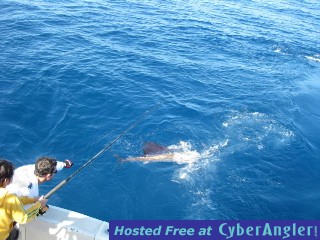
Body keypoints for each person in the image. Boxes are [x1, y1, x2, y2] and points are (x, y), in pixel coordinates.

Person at [0, 159, 48, 240]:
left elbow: (14, 200)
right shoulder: (10, 197)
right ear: (6, 180)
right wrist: (39, 204)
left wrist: (32, 199)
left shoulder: (10, 198)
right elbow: (23, 218)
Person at [6, 156, 73, 198]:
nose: (55, 172)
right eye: (55, 172)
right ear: (48, 176)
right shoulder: (32, 192)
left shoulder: (34, 167)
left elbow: (53, 165)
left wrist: (64, 164)